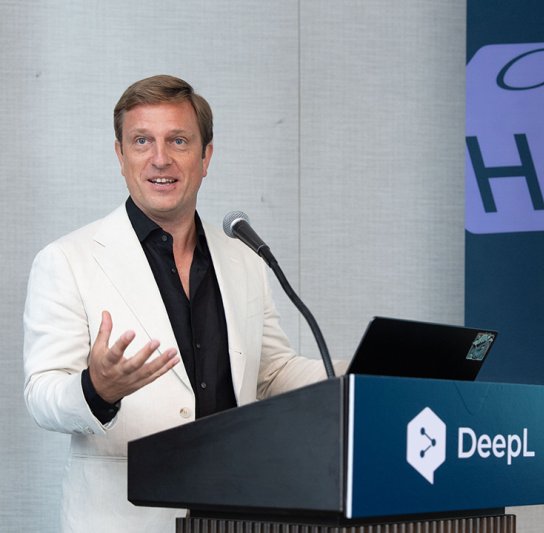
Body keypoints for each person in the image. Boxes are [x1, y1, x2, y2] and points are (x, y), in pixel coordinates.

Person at [23, 75, 336, 532]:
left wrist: (357, 374)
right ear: (120, 155)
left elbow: (270, 373)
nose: (160, 158)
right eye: (142, 141)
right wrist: (97, 389)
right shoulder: (67, 260)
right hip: (126, 521)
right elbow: (42, 395)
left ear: (205, 157)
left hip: (236, 513)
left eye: (179, 140)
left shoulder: (243, 258)